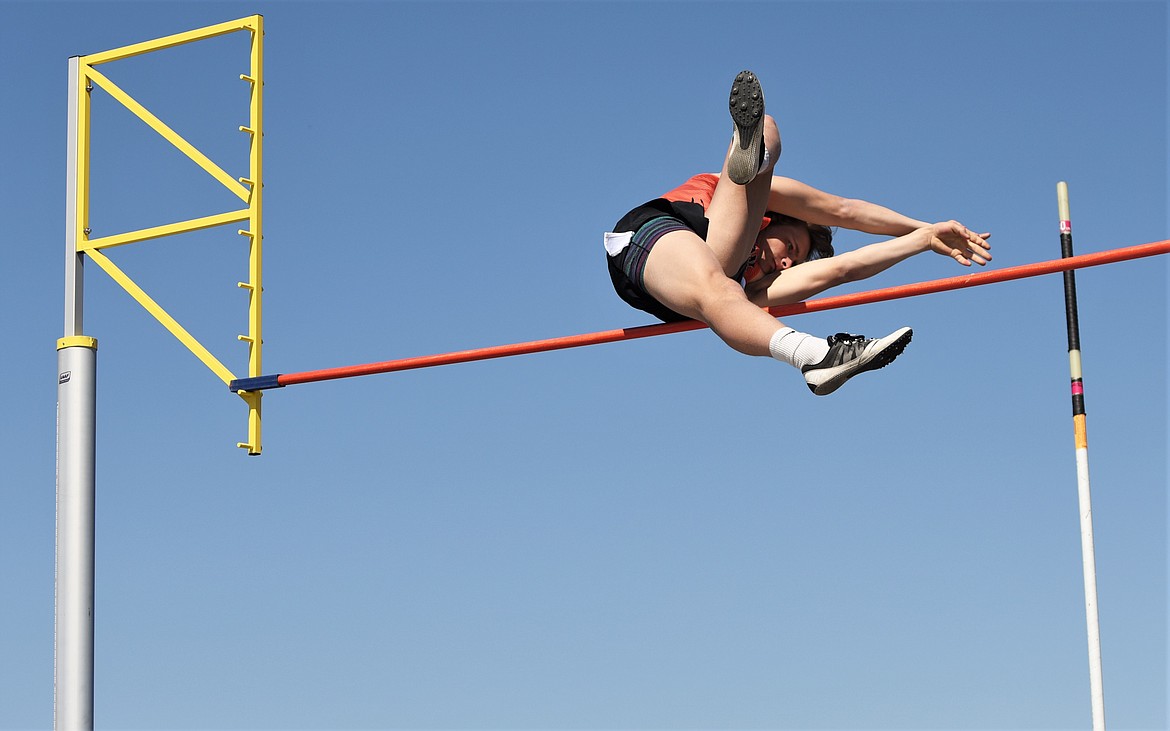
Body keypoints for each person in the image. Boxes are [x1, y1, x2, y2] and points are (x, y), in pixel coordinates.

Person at [604, 70, 992, 395]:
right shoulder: (739, 202)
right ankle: (753, 154)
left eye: (792, 260)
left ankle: (817, 356)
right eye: (789, 245)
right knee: (767, 127)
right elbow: (844, 210)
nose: (787, 260)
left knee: (725, 288)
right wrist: (922, 223)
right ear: (774, 219)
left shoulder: (755, 288)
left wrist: (923, 241)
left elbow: (843, 269)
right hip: (656, 234)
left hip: (700, 280)